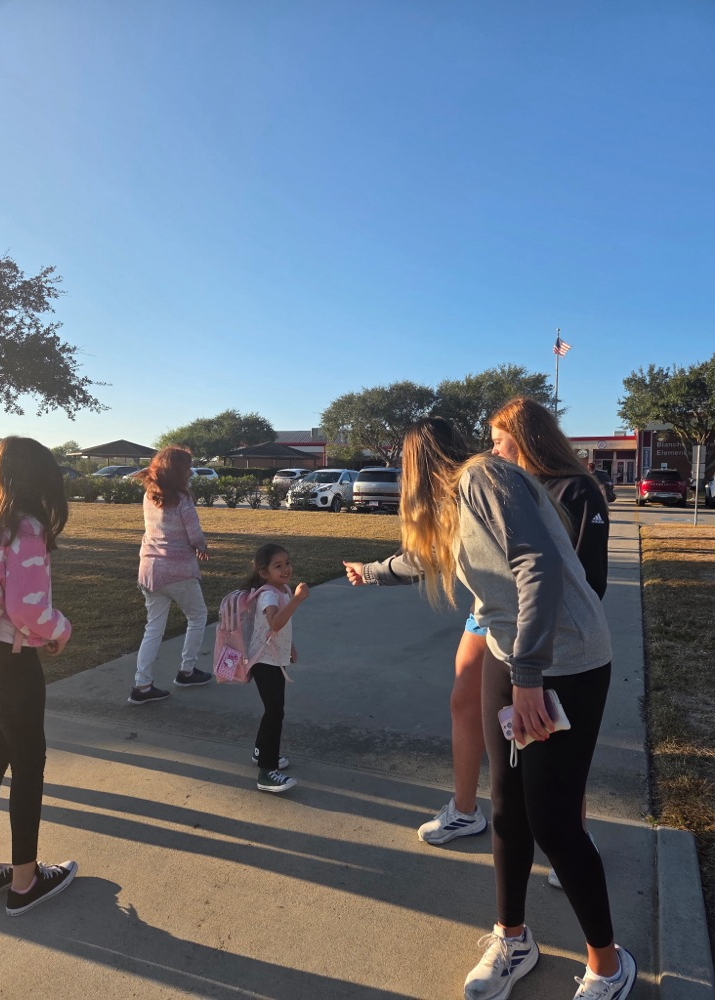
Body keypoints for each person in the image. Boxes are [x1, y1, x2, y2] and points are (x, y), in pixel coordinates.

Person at [351, 417, 635, 999]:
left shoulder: (485, 477)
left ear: (416, 466)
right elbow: (420, 558)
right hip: (513, 661)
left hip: (566, 662)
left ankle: (609, 965)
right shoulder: (457, 505)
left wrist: (529, 675)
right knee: (506, 809)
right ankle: (513, 939)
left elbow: (539, 564)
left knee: (554, 821)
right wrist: (372, 572)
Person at [346, 399, 609, 863]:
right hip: (494, 615)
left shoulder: (549, 484)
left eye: (498, 439)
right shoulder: (481, 484)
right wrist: (371, 571)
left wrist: (530, 668)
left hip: (552, 630)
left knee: (554, 744)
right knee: (474, 708)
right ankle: (474, 813)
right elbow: (429, 553)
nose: (492, 448)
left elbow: (555, 572)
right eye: (488, 441)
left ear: (525, 437)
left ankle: (569, 837)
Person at [0, 437, 78, 916]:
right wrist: (61, 629)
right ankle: (26, 882)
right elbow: (25, 607)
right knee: (29, 767)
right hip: (10, 662)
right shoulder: (24, 528)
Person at [129, 446, 211, 705]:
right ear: (178, 471)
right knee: (198, 616)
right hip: (178, 570)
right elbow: (194, 532)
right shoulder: (181, 499)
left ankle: (142, 685)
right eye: (187, 467)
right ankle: (187, 671)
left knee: (153, 628)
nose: (190, 472)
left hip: (150, 570)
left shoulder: (150, 494)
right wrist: (202, 548)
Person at [244, 543, 309, 794]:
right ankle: (266, 772)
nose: (286, 569)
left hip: (274, 659)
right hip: (264, 662)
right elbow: (275, 622)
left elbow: (280, 626)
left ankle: (261, 752)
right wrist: (297, 600)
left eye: (288, 563)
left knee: (273, 711)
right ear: (264, 572)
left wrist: (289, 646)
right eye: (278, 566)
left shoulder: (283, 589)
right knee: (275, 713)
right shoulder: (269, 594)